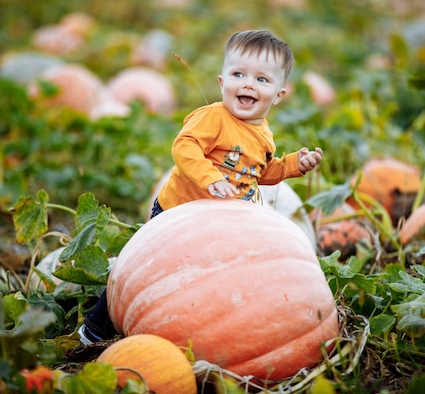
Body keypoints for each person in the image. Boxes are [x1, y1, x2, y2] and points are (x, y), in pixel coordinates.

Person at [78, 29, 324, 344]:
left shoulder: (263, 134)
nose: (248, 84)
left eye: (262, 80)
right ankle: (95, 329)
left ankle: (177, 328)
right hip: (176, 213)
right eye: (239, 74)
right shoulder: (213, 118)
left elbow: (259, 172)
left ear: (278, 95)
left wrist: (292, 165)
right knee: (143, 274)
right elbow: (184, 148)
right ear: (223, 82)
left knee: (196, 278)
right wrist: (212, 179)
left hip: (214, 226)